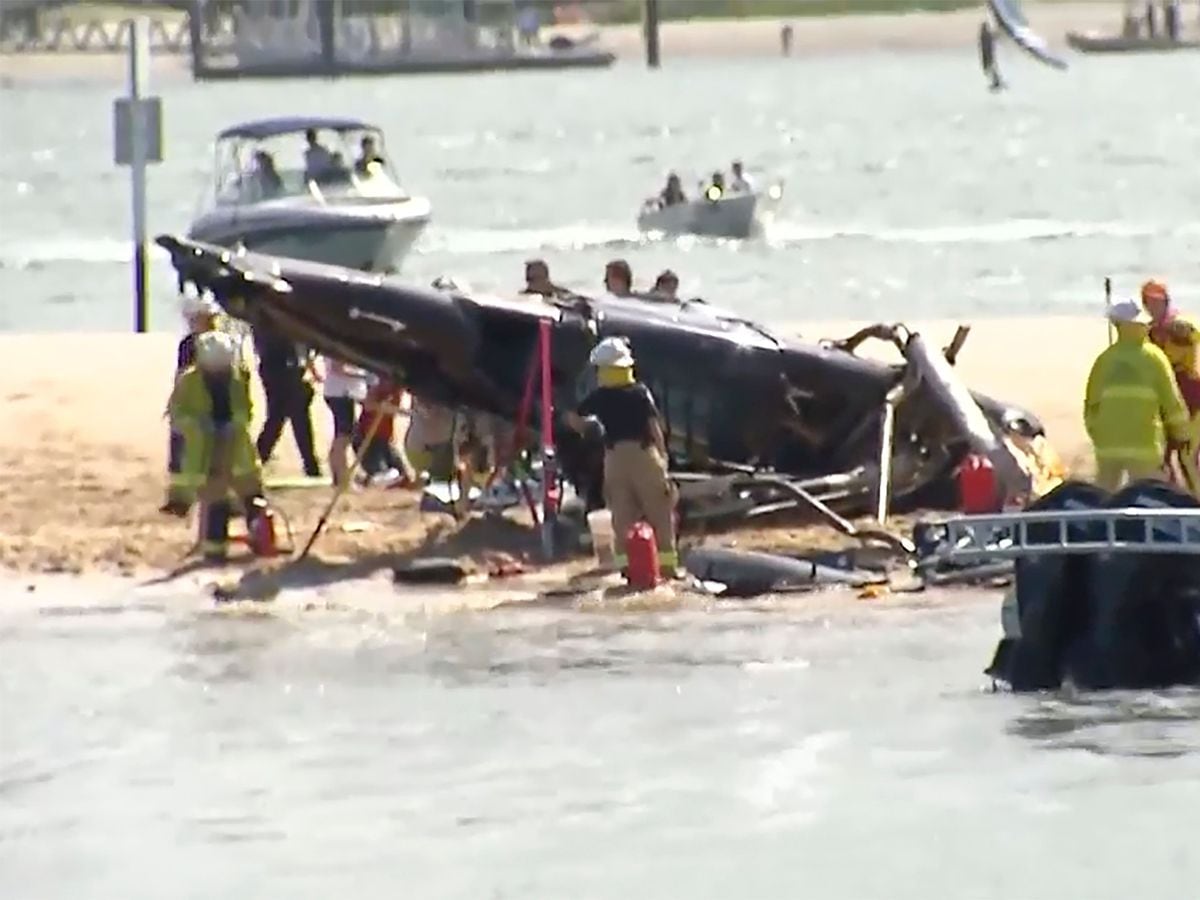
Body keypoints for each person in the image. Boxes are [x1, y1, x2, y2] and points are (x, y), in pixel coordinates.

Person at [565, 336, 678, 577]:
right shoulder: (639, 393)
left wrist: (587, 429)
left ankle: (627, 570)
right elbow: (654, 427)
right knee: (660, 512)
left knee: (622, 517)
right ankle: (668, 568)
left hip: (614, 458)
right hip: (643, 455)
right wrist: (663, 457)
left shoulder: (600, 396)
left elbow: (573, 417)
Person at [167, 331, 267, 561]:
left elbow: (246, 409)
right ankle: (215, 550)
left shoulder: (238, 377)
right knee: (215, 498)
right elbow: (178, 413)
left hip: (237, 448)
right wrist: (198, 425)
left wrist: (235, 424)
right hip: (205, 449)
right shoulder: (188, 380)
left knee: (253, 496)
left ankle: (261, 539)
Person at [1084, 299, 1191, 492]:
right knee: (1147, 497)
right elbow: (1171, 402)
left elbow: (1091, 404)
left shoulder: (1105, 359)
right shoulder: (1154, 358)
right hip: (1145, 446)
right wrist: (1182, 433)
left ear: (1117, 325)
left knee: (1104, 499)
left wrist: (1097, 433)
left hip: (1108, 446)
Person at [162, 294, 221, 514]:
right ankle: (191, 499)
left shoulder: (192, 344)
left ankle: (181, 500)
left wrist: (174, 402)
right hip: (210, 402)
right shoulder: (221, 342)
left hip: (195, 403)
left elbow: (182, 376)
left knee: (184, 451)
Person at [1142, 278, 1200, 487]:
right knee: (1162, 459)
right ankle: (1173, 500)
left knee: (1188, 458)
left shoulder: (1181, 328)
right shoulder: (1147, 333)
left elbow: (1190, 349)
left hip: (1192, 404)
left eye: (1157, 301)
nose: (1152, 306)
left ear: (1166, 302)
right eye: (1148, 302)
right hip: (1165, 406)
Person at [253, 324, 322, 477]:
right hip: (281, 366)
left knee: (280, 416)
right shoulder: (272, 318)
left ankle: (258, 458)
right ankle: (310, 465)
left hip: (285, 366)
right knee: (293, 416)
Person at [321, 355, 371, 487]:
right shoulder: (336, 347)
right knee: (344, 436)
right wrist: (364, 377)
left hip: (341, 392)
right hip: (341, 393)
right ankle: (343, 480)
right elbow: (338, 368)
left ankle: (338, 478)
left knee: (343, 435)